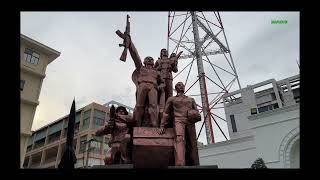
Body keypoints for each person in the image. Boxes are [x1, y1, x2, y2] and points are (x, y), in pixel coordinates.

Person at [159, 82, 201, 166]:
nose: (181, 86)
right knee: (179, 140)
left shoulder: (191, 99)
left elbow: (197, 112)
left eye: (182, 85)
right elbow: (166, 113)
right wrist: (162, 125)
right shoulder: (172, 99)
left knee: (192, 142)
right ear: (176, 88)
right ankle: (180, 163)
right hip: (178, 120)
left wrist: (194, 114)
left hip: (190, 121)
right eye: (179, 85)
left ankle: (195, 163)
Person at [127, 34, 164, 127]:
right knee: (139, 106)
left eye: (151, 59)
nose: (150, 59)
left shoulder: (156, 72)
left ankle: (154, 125)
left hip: (153, 87)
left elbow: (163, 83)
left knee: (153, 107)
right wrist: (130, 44)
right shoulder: (141, 68)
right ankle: (137, 125)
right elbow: (135, 55)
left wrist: (159, 87)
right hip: (142, 85)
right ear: (144, 61)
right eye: (148, 58)